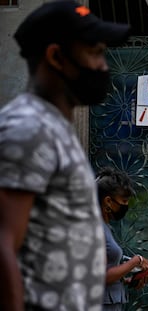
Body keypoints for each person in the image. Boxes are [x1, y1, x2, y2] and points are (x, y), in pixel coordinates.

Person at [0, 1, 130, 310]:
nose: (103, 65)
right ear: (57, 56)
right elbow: (3, 241)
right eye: (94, 52)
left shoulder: (54, 129)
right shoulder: (28, 128)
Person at [96, 167, 148, 311]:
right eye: (124, 200)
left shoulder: (106, 228)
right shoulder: (95, 229)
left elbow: (109, 269)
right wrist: (136, 260)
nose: (126, 206)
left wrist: (129, 279)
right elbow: (102, 276)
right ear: (108, 201)